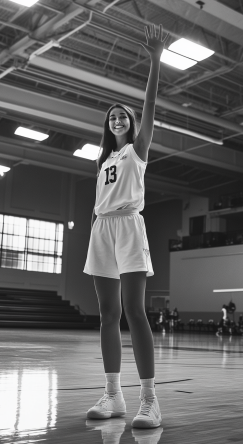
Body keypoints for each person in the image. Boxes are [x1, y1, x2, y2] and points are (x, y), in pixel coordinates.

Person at [83, 24, 169, 429]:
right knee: (106, 312)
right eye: (112, 116)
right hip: (102, 229)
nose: (117, 118)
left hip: (130, 228)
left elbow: (150, 105)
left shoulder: (138, 150)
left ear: (131, 123)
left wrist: (155, 59)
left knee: (135, 310)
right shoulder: (102, 161)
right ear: (107, 125)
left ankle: (150, 400)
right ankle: (113, 394)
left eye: (123, 115)